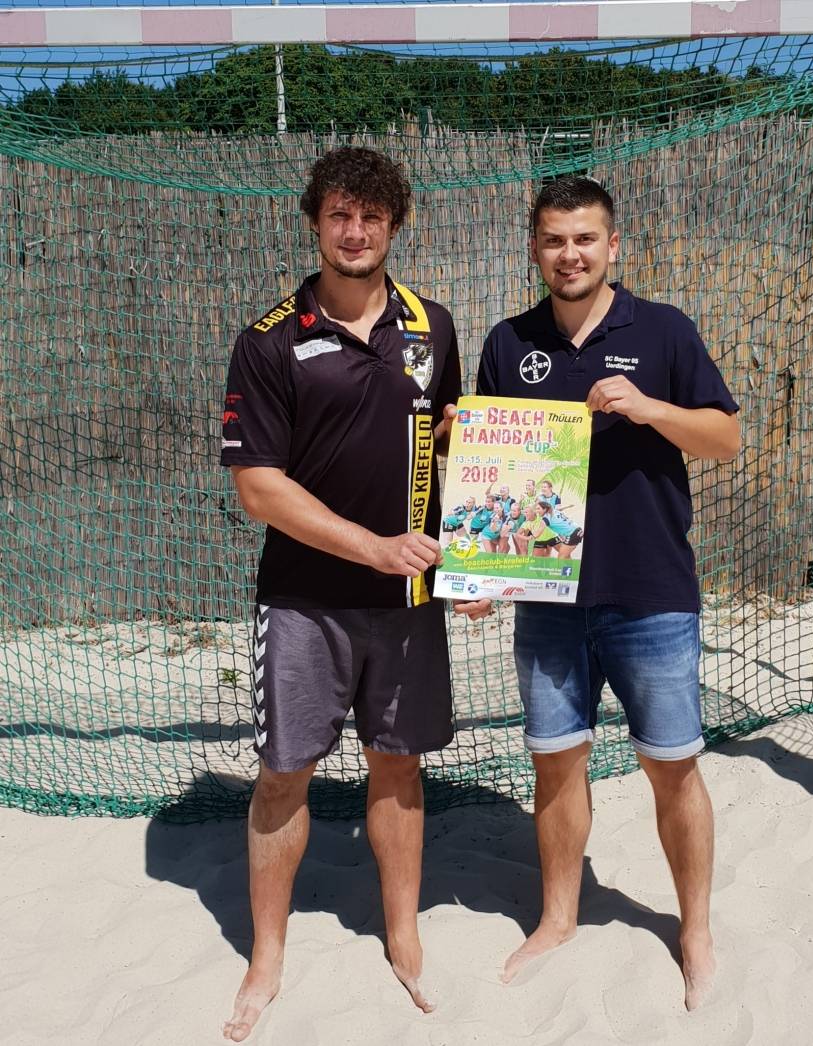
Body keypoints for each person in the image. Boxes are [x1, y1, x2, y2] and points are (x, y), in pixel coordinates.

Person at [219, 146, 485, 1041]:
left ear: (396, 224)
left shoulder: (432, 326)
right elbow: (259, 486)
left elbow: (453, 457)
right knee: (284, 774)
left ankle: (403, 934)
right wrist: (370, 546)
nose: (356, 230)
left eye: (373, 216)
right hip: (302, 601)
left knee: (398, 763)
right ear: (315, 222)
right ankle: (266, 956)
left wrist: (476, 564)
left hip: (408, 602)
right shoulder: (269, 340)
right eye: (340, 214)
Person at [475, 176, 740, 1010]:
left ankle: (693, 929)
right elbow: (495, 473)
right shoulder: (508, 343)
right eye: (554, 240)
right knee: (555, 764)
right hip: (548, 600)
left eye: (585, 238)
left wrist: (651, 406)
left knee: (672, 769)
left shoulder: (661, 329)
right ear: (535, 248)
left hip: (651, 591)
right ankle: (558, 918)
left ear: (613, 244)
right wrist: (482, 571)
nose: (570, 254)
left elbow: (726, 438)